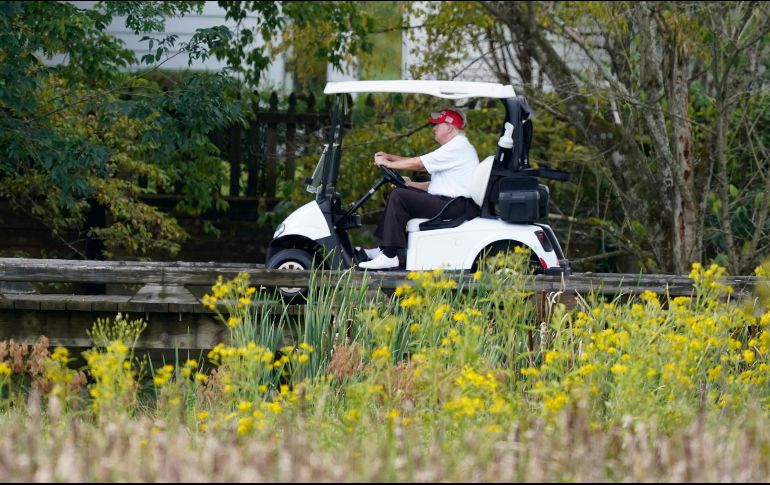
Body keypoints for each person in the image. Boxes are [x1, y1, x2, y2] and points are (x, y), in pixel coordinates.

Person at [359, 108, 480, 270]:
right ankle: (383, 249)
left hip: (454, 206)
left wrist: (388, 163)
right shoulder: (456, 147)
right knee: (403, 192)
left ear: (450, 128)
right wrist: (409, 181)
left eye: (437, 125)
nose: (434, 128)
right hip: (451, 203)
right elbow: (434, 183)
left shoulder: (457, 147)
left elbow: (419, 163)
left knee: (399, 196)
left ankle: (389, 255)